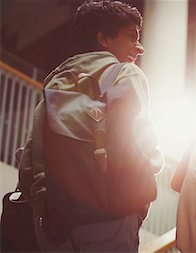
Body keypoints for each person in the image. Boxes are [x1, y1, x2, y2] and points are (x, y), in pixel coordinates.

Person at [18, 0, 161, 252]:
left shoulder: (54, 86)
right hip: (112, 218)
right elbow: (142, 138)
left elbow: (29, 164)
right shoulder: (125, 73)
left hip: (56, 228)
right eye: (131, 37)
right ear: (103, 39)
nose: (139, 48)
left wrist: (44, 206)